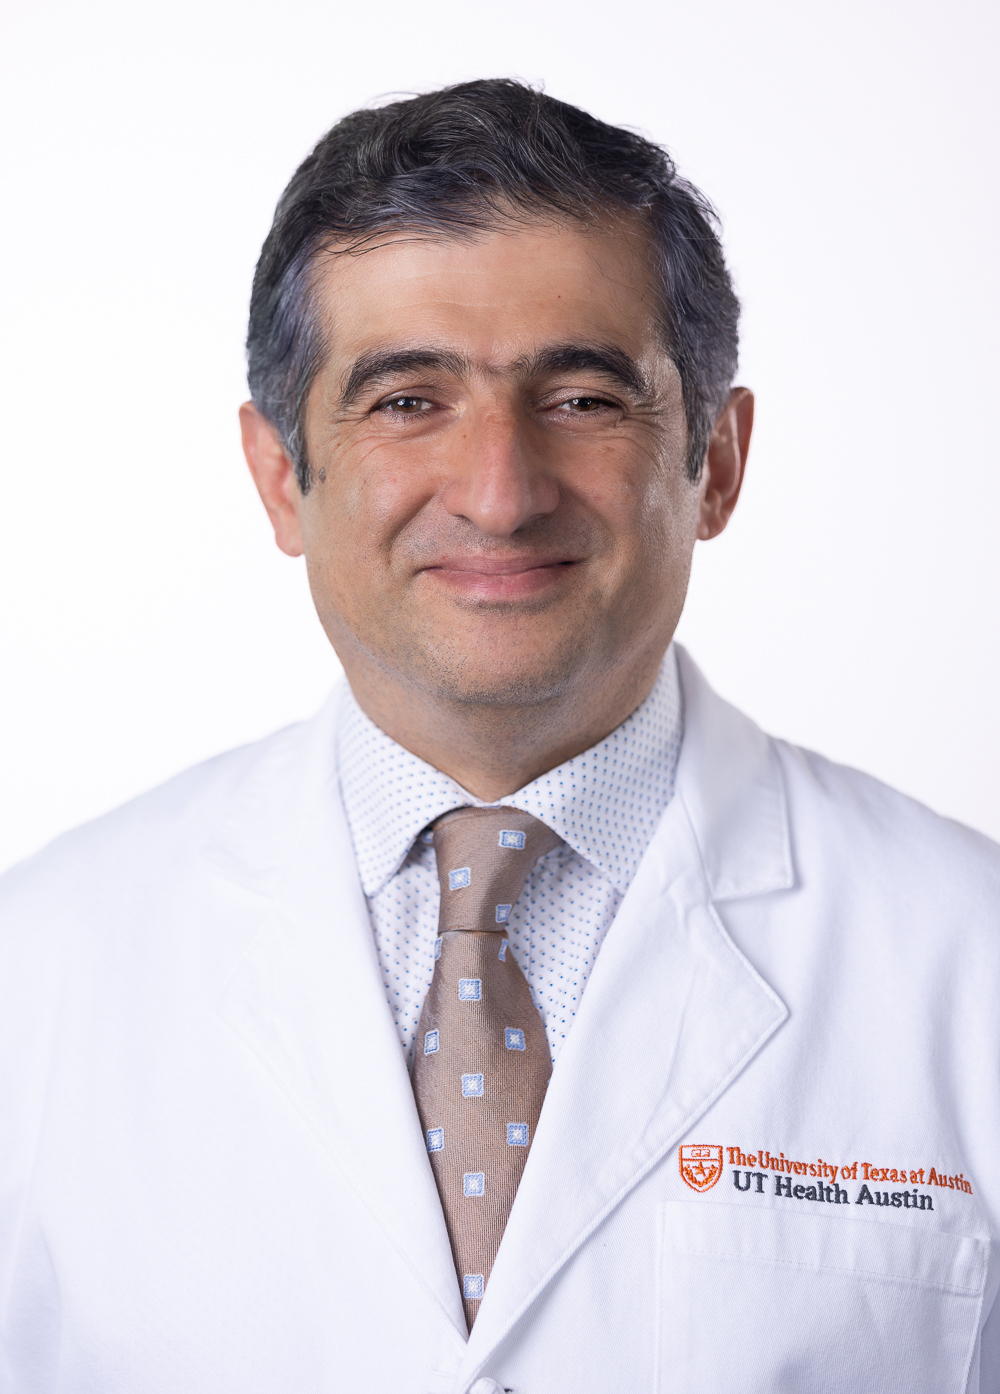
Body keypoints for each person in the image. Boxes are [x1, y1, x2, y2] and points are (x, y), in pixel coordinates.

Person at [0, 78, 997, 1394]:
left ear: (718, 459)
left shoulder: (967, 956)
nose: (499, 491)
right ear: (280, 474)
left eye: (582, 397)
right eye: (407, 399)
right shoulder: (41, 967)